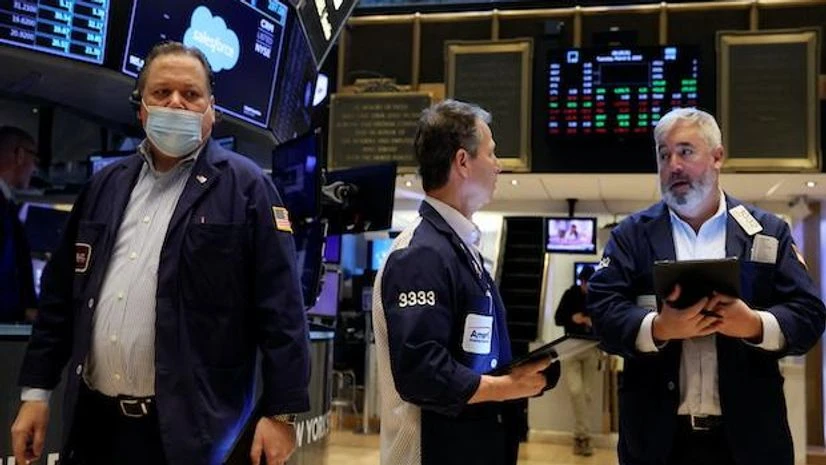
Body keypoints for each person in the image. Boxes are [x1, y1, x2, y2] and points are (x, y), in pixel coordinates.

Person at [11, 41, 310, 465]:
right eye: (161, 93)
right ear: (141, 108)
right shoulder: (105, 185)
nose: (176, 103)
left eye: (191, 94)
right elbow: (61, 298)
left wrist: (282, 412)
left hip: (190, 433)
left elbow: (283, 311)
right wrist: (36, 393)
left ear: (212, 110)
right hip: (94, 424)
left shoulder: (248, 189)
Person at [587, 107, 826, 465]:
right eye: (664, 155)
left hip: (748, 442)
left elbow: (809, 314)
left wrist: (754, 325)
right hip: (657, 443)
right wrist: (659, 328)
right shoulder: (631, 235)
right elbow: (603, 312)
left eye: (685, 151)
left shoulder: (766, 231)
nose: (673, 166)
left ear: (717, 157)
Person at [372, 99, 560, 465]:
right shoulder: (419, 253)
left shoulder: (461, 248)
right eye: (491, 153)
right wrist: (507, 388)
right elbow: (422, 373)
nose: (498, 165)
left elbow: (467, 354)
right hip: (431, 452)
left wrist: (513, 373)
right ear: (462, 162)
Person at [554, 264, 600, 456]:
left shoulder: (597, 296)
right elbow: (558, 318)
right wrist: (574, 319)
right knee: (576, 391)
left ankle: (580, 437)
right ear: (581, 281)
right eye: (586, 283)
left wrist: (592, 322)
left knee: (586, 394)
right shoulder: (570, 294)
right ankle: (583, 437)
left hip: (591, 347)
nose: (587, 287)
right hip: (571, 347)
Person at [0, 126, 38, 323]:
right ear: (20, 155)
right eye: (34, 158)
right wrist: (21, 313)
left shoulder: (7, 204)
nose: (34, 167)